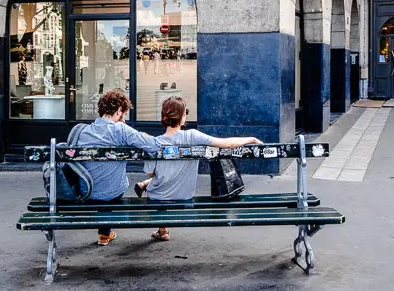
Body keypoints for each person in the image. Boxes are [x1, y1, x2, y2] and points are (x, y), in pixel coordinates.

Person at [133, 96, 263, 241]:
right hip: (184, 194)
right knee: (167, 179)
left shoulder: (154, 143)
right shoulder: (192, 136)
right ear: (182, 117)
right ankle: (162, 229)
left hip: (158, 196)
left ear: (164, 117)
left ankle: (161, 226)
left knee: (158, 181)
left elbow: (151, 173)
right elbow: (227, 144)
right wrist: (251, 139)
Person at [76, 89, 160, 246]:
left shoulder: (82, 131)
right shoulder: (120, 130)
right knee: (114, 183)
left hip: (87, 192)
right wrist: (143, 135)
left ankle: (104, 234)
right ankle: (104, 233)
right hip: (112, 192)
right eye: (125, 113)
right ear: (119, 111)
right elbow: (153, 145)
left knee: (101, 177)